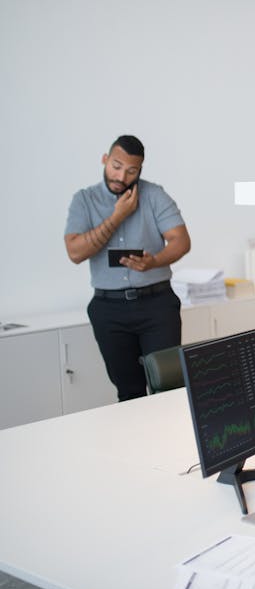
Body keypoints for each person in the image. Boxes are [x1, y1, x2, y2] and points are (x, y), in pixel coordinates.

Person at [64, 135, 191, 402]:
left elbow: (181, 241)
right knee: (129, 393)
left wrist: (154, 261)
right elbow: (75, 252)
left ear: (140, 169)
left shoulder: (154, 195)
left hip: (157, 305)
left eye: (131, 171)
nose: (121, 177)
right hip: (109, 310)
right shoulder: (84, 200)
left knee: (170, 387)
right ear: (105, 159)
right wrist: (117, 216)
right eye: (116, 166)